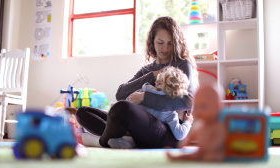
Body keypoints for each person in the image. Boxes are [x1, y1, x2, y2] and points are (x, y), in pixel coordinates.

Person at [76, 16, 199, 149]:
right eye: (160, 42)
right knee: (82, 112)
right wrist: (153, 75)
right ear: (152, 42)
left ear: (176, 43)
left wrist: (145, 98)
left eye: (170, 43)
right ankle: (127, 139)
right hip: (140, 126)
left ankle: (101, 141)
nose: (165, 48)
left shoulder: (181, 64)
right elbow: (121, 93)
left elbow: (188, 101)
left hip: (168, 132)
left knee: (122, 109)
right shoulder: (147, 70)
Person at [127, 66, 193, 141]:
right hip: (150, 137)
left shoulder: (142, 92)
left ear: (158, 82)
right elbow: (179, 135)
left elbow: (128, 101)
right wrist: (187, 122)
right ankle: (130, 141)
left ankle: (126, 139)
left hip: (130, 125)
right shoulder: (169, 114)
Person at [166, 85, 225, 162]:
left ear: (217, 107)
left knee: (213, 156)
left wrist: (211, 146)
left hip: (213, 151)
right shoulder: (199, 127)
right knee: (191, 156)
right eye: (196, 107)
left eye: (203, 106)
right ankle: (177, 157)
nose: (199, 111)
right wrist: (183, 146)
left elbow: (219, 140)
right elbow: (191, 137)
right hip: (201, 152)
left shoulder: (218, 126)